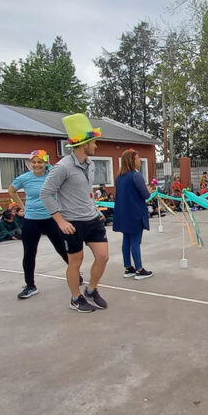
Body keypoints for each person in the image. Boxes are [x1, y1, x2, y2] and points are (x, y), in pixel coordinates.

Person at [40, 113, 109, 313]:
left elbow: (84, 191)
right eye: (94, 142)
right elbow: (45, 193)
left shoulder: (91, 164)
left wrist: (95, 208)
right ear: (84, 144)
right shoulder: (62, 167)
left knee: (103, 257)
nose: (96, 146)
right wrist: (60, 220)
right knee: (75, 262)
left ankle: (91, 290)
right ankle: (75, 298)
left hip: (92, 219)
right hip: (72, 223)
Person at [113, 149, 153, 280]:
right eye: (138, 157)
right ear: (132, 161)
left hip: (124, 214)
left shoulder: (120, 177)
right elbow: (145, 195)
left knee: (126, 241)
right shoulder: (136, 176)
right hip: (135, 213)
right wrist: (148, 190)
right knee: (135, 241)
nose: (140, 159)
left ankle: (128, 267)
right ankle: (139, 269)